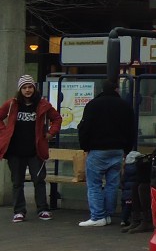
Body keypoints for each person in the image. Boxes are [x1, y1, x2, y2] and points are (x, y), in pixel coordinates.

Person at [0, 75, 63, 222]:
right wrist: (4, 131)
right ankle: (19, 211)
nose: (27, 90)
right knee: (17, 182)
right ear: (20, 89)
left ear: (34, 89)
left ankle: (42, 209)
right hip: (15, 151)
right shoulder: (11, 104)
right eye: (24, 87)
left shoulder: (42, 104)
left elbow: (57, 118)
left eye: (30, 87)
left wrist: (50, 133)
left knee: (39, 180)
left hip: (36, 151)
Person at [76, 80, 137, 227]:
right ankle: (108, 215)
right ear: (117, 89)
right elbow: (131, 129)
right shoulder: (125, 106)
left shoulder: (93, 105)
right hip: (117, 150)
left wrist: (85, 147)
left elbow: (84, 128)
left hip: (97, 150)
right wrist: (126, 149)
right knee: (112, 184)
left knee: (94, 184)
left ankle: (97, 216)